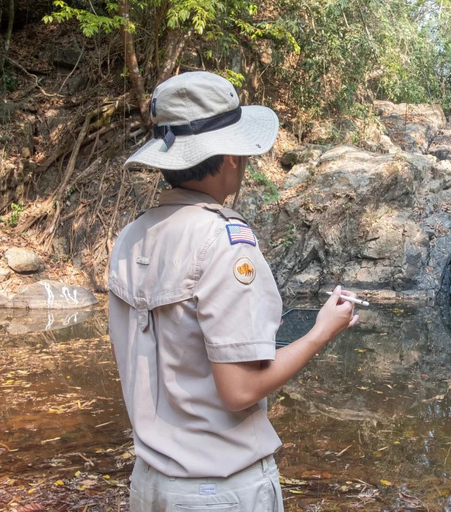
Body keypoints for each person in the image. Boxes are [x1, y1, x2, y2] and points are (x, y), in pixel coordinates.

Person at [108, 71, 358, 512]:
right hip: (217, 492)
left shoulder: (130, 237)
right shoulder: (224, 241)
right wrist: (321, 332)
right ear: (229, 156)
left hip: (149, 484)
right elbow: (240, 390)